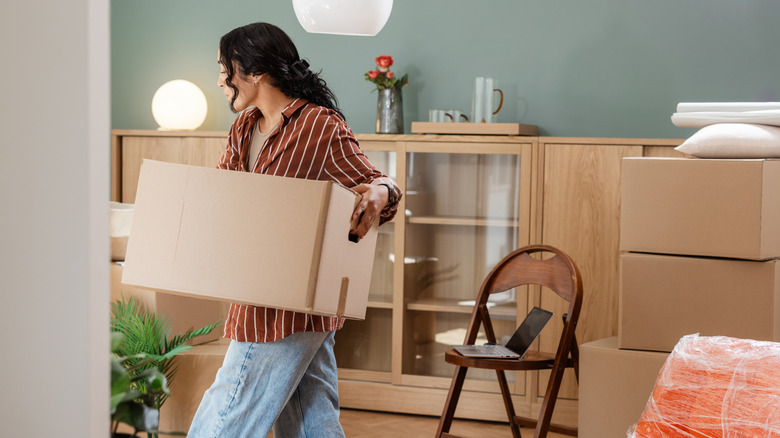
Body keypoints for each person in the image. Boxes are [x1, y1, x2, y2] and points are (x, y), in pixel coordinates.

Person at [187, 22, 401, 437]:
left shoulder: (319, 125)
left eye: (223, 69)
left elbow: (380, 182)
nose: (220, 81)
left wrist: (378, 194)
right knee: (310, 415)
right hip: (259, 289)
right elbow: (225, 196)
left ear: (254, 72)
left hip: (288, 302)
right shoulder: (244, 128)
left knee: (230, 406)